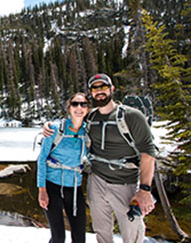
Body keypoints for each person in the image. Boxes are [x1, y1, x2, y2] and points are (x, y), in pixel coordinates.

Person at [43, 74, 156, 243]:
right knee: (102, 232)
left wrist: (145, 190)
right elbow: (72, 120)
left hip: (124, 184)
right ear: (91, 93)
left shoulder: (131, 116)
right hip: (97, 182)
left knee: (131, 233)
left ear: (112, 89)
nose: (100, 92)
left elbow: (148, 154)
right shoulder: (91, 118)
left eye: (103, 87)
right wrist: (47, 126)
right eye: (95, 88)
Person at [37, 92, 89, 243]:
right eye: (75, 104)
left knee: (79, 238)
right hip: (52, 185)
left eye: (83, 104)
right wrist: (42, 190)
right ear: (69, 108)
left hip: (74, 186)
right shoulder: (54, 129)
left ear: (87, 109)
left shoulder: (88, 132)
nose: (79, 108)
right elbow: (42, 160)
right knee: (58, 237)